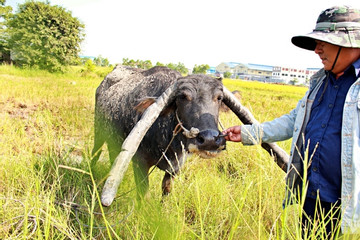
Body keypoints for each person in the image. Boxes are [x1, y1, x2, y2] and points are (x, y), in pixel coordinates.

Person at [222, 5, 360, 238]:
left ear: (349, 41)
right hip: (312, 194)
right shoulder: (319, 83)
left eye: (324, 42)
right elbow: (293, 121)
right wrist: (249, 133)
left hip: (349, 203)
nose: (317, 49)